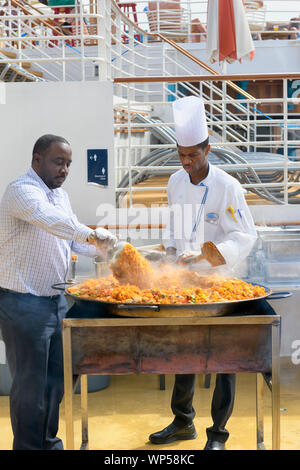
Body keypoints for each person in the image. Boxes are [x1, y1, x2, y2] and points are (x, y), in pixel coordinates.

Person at [149, 96, 276, 450]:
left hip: (221, 284)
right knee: (183, 351)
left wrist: (209, 254)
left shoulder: (227, 187)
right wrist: (169, 252)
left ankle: (218, 433)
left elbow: (244, 235)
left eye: (193, 155)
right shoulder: (175, 181)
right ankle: (182, 421)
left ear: (208, 148)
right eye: (181, 155)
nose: (187, 162)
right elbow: (173, 229)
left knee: (224, 357)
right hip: (185, 283)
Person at [0, 134, 117, 450]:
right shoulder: (21, 192)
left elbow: (72, 240)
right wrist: (93, 233)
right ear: (37, 159)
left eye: (68, 164)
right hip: (22, 303)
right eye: (57, 161)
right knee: (30, 386)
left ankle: (48, 443)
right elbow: (50, 222)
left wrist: (109, 250)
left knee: (56, 383)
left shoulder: (59, 196)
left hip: (55, 302)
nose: (64, 169)